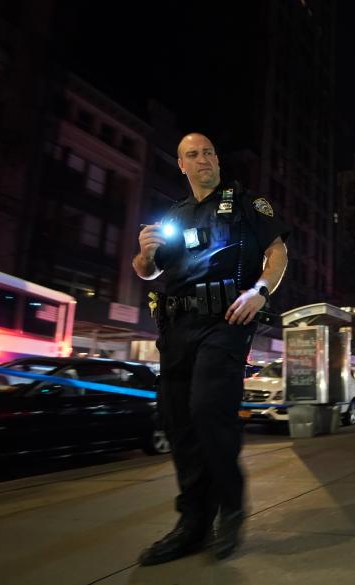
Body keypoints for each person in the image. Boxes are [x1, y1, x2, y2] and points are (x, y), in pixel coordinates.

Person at [132, 133, 290, 564]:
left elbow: (277, 253)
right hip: (177, 326)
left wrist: (259, 291)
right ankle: (192, 524)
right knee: (178, 421)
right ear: (181, 165)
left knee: (207, 408)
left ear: (217, 159)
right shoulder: (174, 214)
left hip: (226, 321)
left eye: (208, 152)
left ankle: (231, 508)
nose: (203, 159)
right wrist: (145, 255)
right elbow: (147, 272)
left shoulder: (246, 204)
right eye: (193, 155)